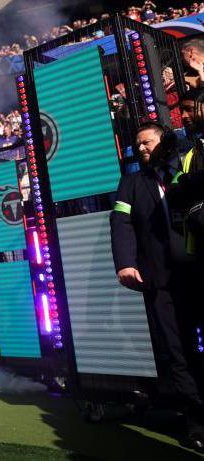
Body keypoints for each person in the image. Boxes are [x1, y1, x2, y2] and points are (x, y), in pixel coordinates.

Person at [110, 122, 204, 452]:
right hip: (161, 280)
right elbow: (121, 223)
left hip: (197, 272)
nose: (141, 148)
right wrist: (125, 262)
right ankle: (197, 423)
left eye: (147, 142)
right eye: (137, 145)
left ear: (165, 140)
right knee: (179, 354)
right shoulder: (132, 183)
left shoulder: (191, 166)